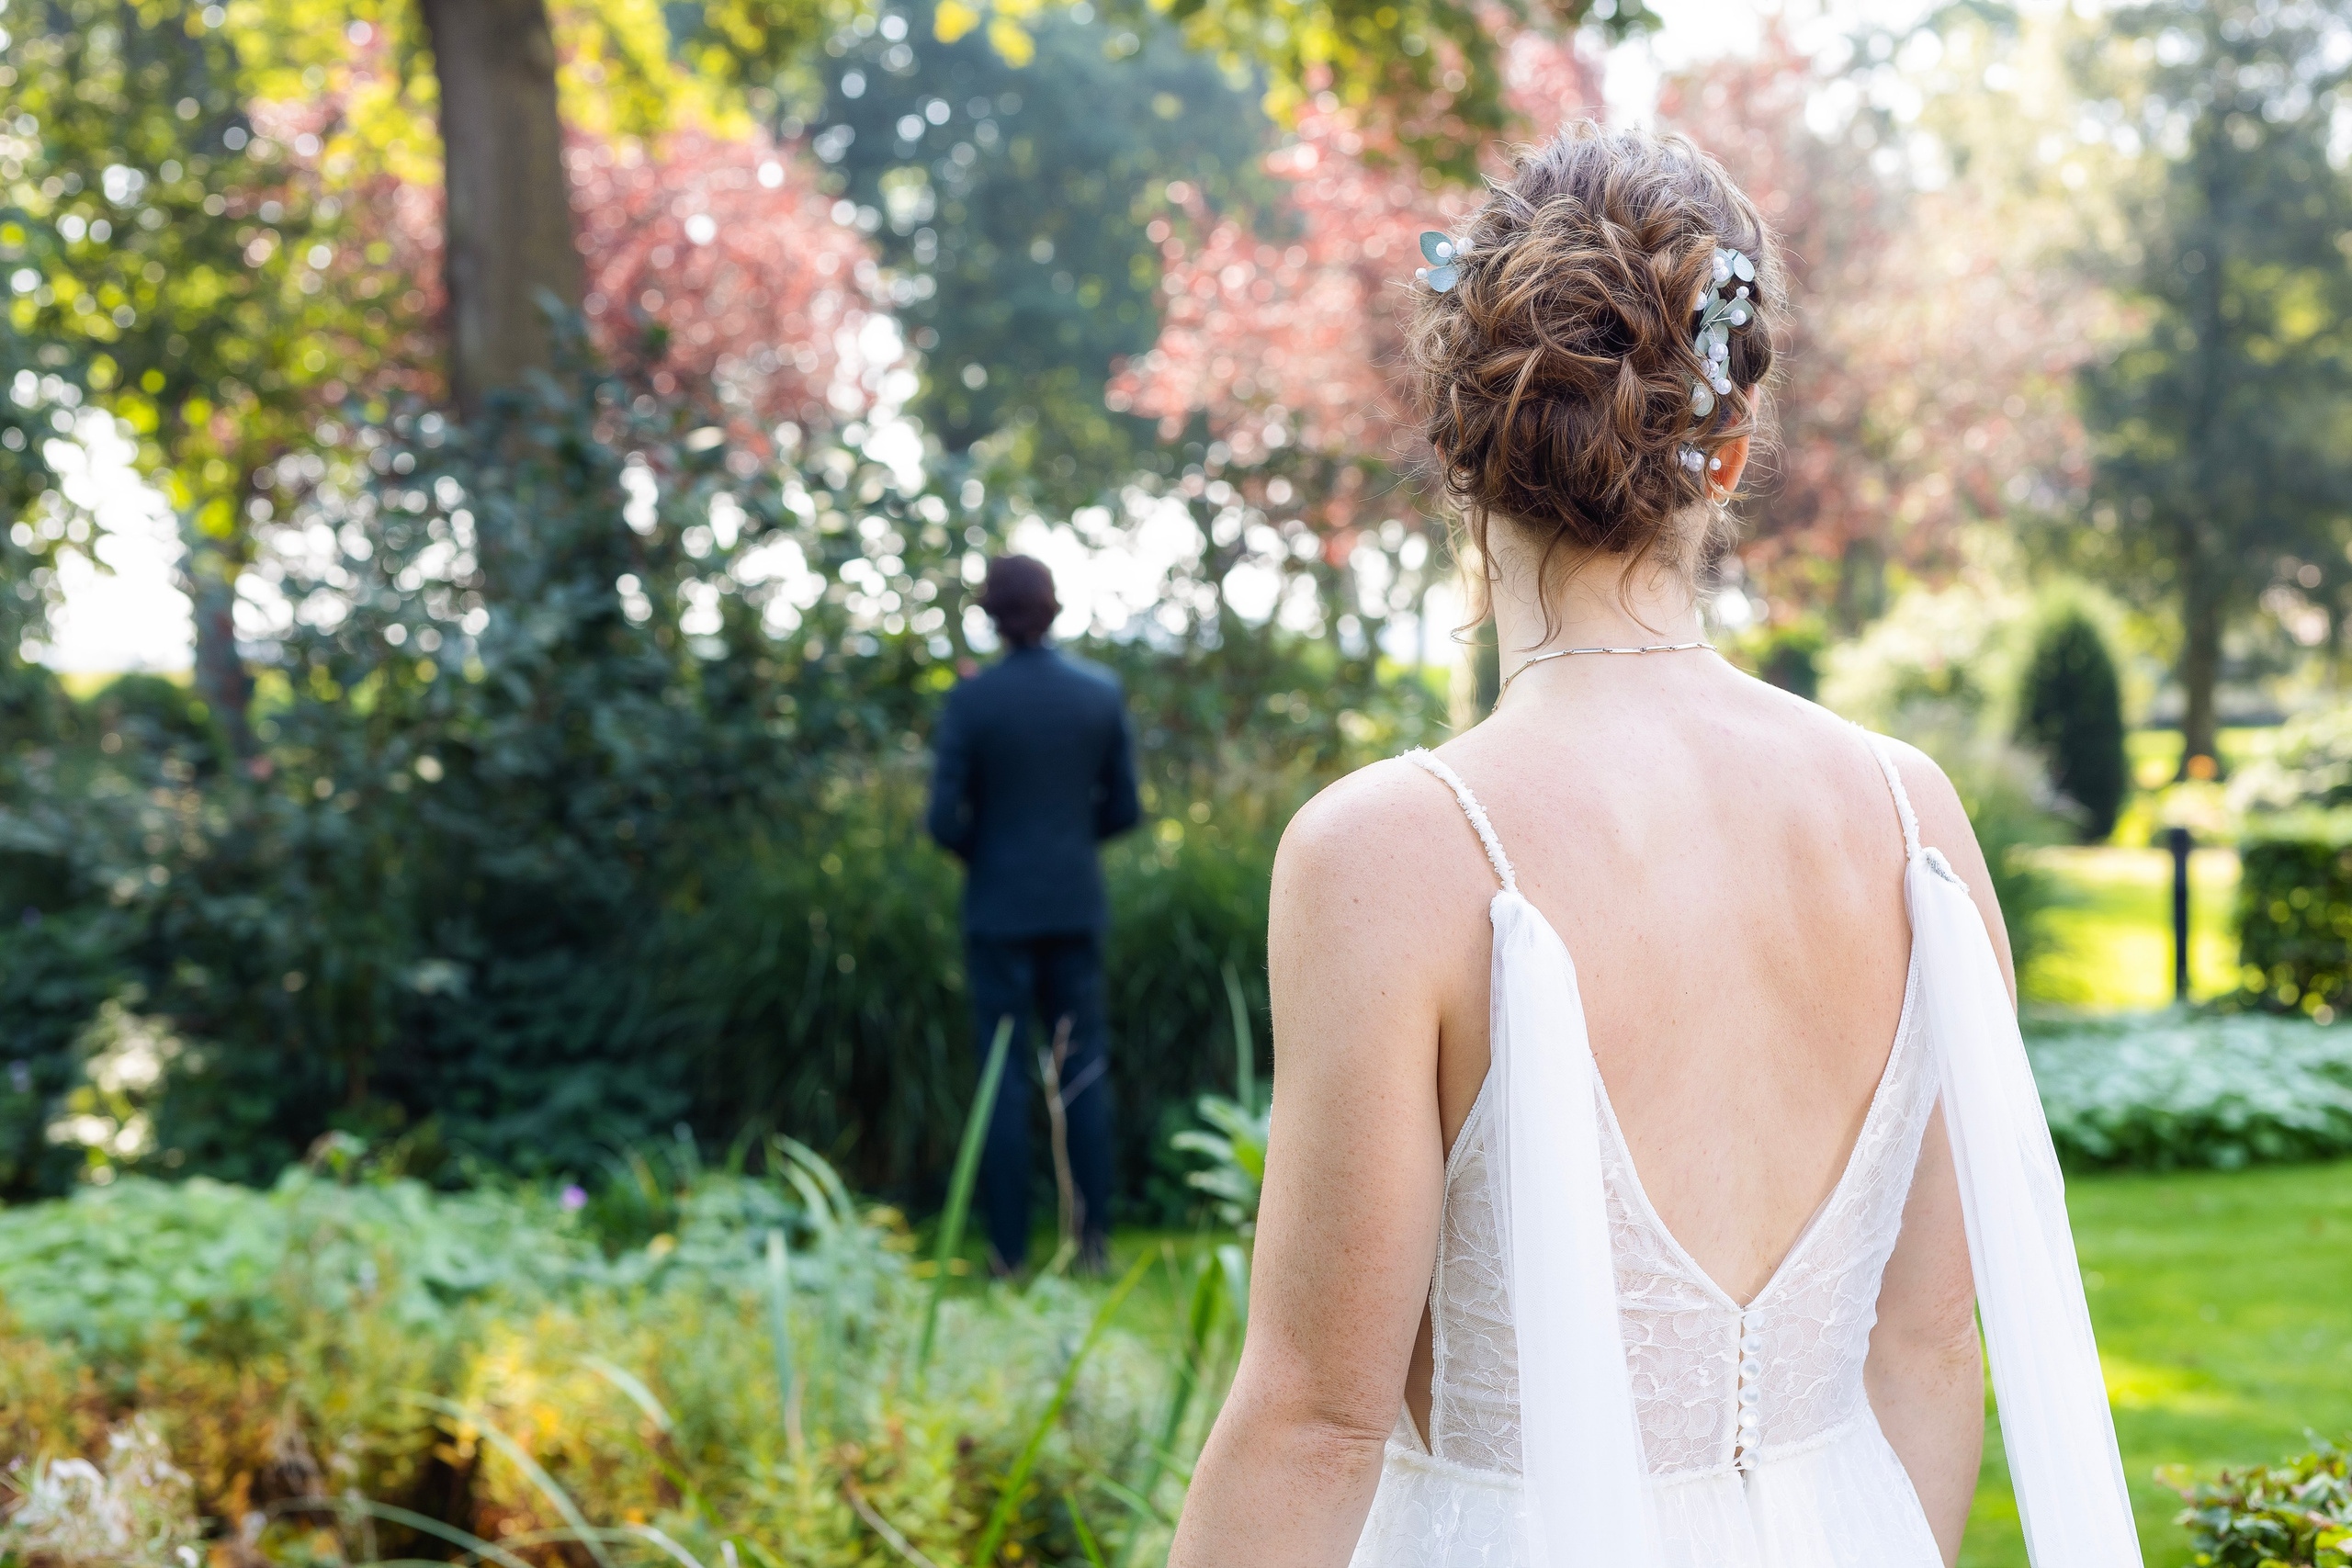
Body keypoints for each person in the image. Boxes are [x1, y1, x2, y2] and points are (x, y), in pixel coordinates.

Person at [1170, 125, 2140, 1567]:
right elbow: (1932, 1342)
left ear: (1459, 456)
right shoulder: (1911, 817)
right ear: (1727, 453)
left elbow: (1316, 1417)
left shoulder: (1393, 854)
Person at [928, 554, 1141, 1275]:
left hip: (997, 911)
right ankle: (1090, 1244)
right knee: (1081, 1073)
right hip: (1074, 904)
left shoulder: (971, 701)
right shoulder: (1099, 693)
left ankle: (1009, 1253)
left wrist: (987, 855)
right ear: (1052, 608)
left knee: (1003, 1078)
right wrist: (1069, 848)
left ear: (990, 614)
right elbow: (1125, 809)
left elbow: (940, 820)